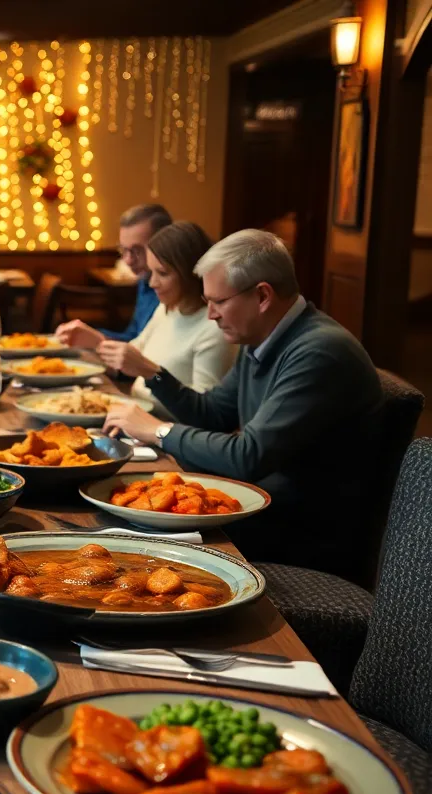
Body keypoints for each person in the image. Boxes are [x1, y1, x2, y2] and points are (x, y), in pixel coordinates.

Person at [102, 229, 381, 571]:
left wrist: (158, 431)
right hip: (263, 510)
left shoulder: (319, 351)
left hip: (303, 535)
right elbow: (212, 414)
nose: (211, 315)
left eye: (218, 302)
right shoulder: (262, 337)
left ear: (262, 296)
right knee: (117, 515)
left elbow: (248, 455)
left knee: (124, 546)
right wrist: (154, 375)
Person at [59, 221, 236, 413]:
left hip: (160, 431)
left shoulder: (215, 329)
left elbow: (206, 416)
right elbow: (129, 361)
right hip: (134, 415)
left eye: (162, 273)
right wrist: (97, 342)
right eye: (151, 272)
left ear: (191, 274)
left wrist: (149, 372)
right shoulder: (167, 309)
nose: (152, 283)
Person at [57, 203, 172, 343]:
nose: (128, 260)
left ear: (165, 243)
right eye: (123, 250)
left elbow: (148, 351)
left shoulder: (172, 289)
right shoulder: (144, 280)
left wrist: (98, 339)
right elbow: (134, 336)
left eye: (137, 250)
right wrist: (90, 334)